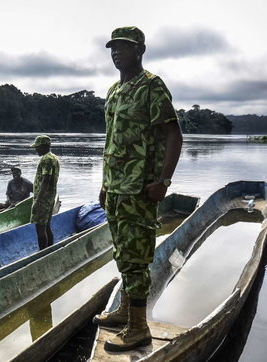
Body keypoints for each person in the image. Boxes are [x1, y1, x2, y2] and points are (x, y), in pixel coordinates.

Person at [93, 26, 183, 352]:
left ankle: (138, 327)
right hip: (116, 189)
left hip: (140, 190)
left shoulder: (152, 87)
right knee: (122, 254)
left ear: (140, 50)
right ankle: (124, 311)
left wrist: (164, 181)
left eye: (124, 48)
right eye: (113, 48)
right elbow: (111, 142)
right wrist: (105, 184)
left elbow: (174, 135)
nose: (117, 52)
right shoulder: (114, 91)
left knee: (137, 259)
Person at [30, 135, 60, 250]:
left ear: (43, 146)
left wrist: (37, 201)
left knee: (40, 228)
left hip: (43, 199)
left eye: (37, 147)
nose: (36, 150)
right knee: (46, 226)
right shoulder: (54, 158)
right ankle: (50, 251)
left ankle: (42, 253)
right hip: (50, 197)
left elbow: (45, 180)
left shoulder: (46, 159)